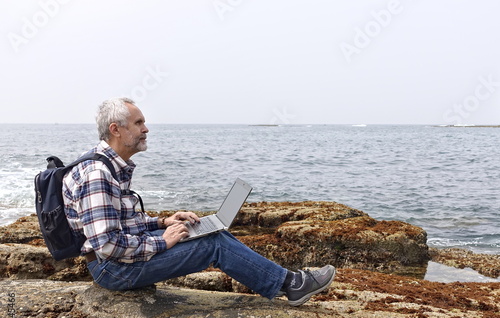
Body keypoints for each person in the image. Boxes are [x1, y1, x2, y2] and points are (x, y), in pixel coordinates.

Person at [62, 97, 335, 306]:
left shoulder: (110, 165)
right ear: (116, 129)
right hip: (112, 270)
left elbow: (121, 220)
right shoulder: (98, 174)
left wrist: (163, 222)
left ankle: (289, 280)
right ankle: (291, 284)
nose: (146, 129)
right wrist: (163, 240)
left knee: (207, 229)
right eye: (139, 123)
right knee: (212, 244)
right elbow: (108, 245)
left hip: (117, 259)